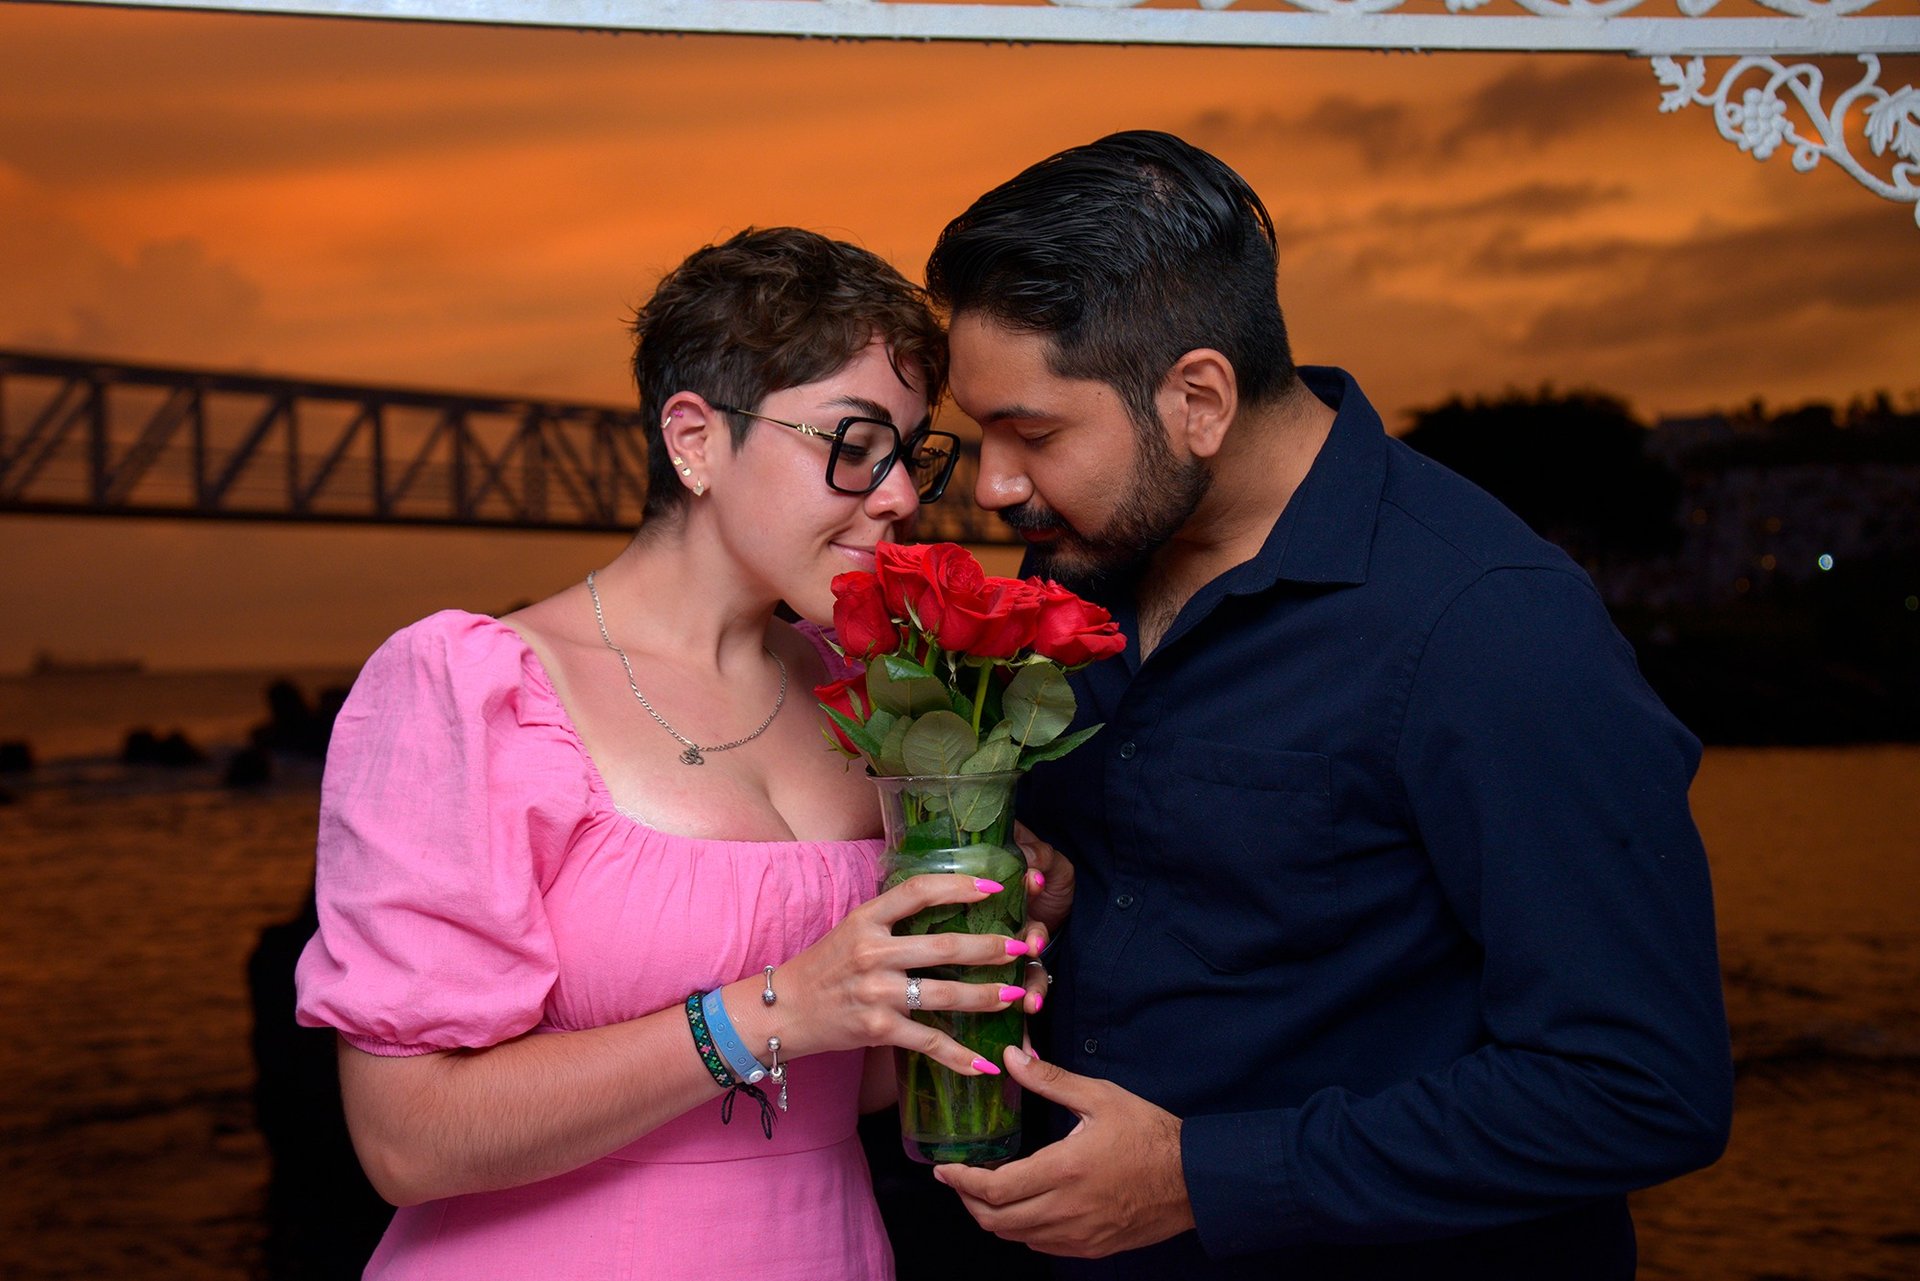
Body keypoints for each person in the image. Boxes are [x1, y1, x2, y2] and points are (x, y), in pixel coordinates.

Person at [923, 131, 1734, 1280]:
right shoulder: (1079, 561)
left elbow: (1642, 1087)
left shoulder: (1492, 623)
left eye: (1035, 433)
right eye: (985, 430)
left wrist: (1200, 1178)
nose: (995, 485)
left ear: (1198, 396)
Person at [294, 226, 1050, 1280]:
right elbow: (406, 1140)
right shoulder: (476, 686)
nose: (899, 498)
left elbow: (846, 1080)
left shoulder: (876, 693)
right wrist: (779, 1004)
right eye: (852, 442)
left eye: (910, 453)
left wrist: (978, 950)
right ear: (694, 438)